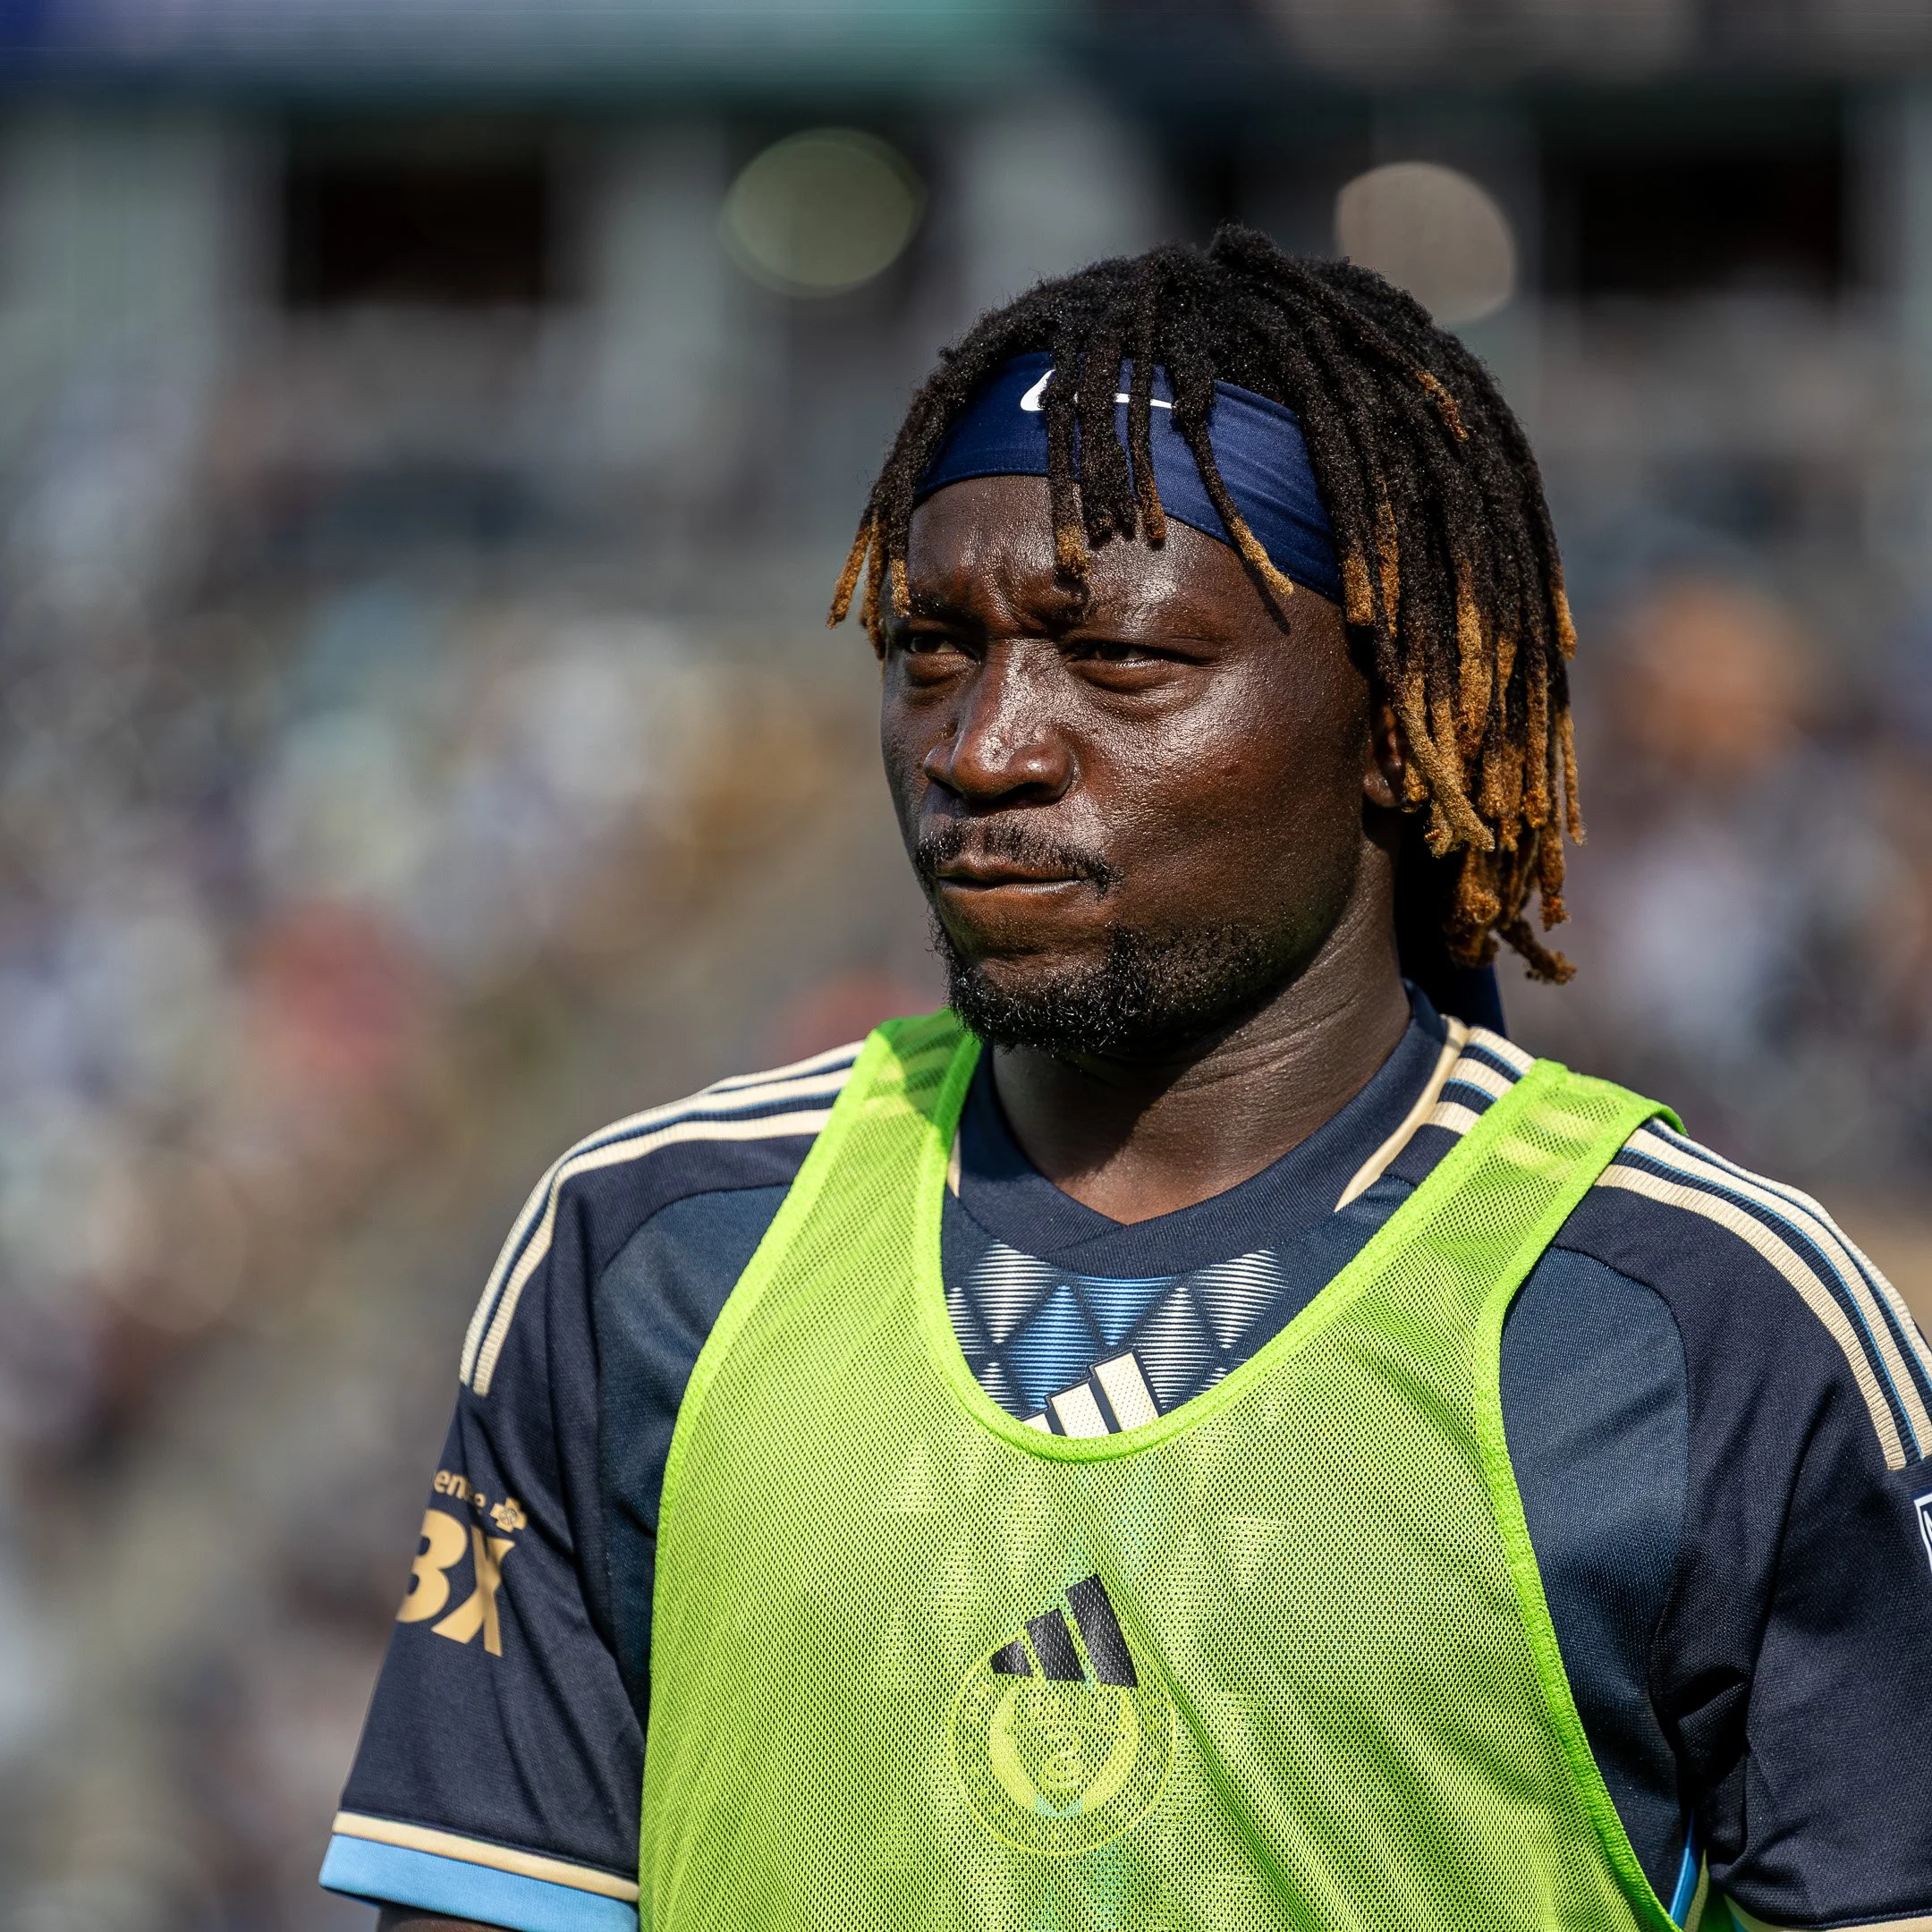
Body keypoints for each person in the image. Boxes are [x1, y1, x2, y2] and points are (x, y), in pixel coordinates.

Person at [321, 232, 1932, 1932]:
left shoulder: (1695, 1320)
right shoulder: (653, 1252)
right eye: (932, 649)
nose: (983, 746)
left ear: (1395, 714)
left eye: (1125, 662)